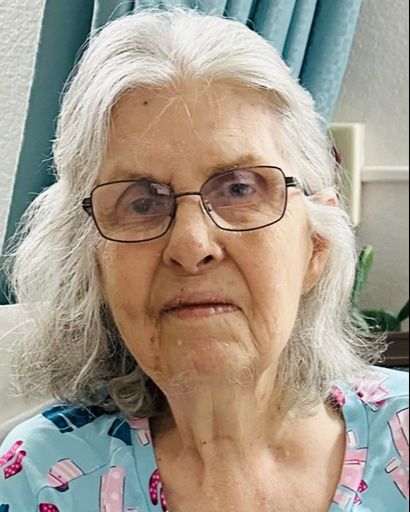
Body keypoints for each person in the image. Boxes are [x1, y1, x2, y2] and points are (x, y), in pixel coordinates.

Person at [0, 7, 408, 512]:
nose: (192, 246)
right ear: (92, 264)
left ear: (315, 246)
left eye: (239, 188)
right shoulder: (40, 479)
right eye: (141, 202)